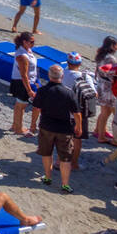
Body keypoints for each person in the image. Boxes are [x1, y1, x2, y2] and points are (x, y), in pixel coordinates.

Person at [32, 63, 81, 192]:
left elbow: (36, 108)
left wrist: (33, 124)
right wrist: (79, 126)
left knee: (47, 153)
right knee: (65, 157)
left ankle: (48, 177)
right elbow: (77, 113)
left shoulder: (42, 90)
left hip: (46, 126)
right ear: (62, 76)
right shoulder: (68, 93)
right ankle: (65, 184)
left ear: (49, 75)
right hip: (64, 128)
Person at [62, 51, 98, 168]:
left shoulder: (62, 73)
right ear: (80, 63)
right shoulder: (84, 76)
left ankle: (61, 161)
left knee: (64, 138)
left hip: (63, 110)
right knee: (77, 139)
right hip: (79, 111)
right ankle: (74, 163)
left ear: (68, 62)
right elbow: (94, 94)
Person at [94, 36, 117, 143]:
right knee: (106, 112)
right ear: (112, 46)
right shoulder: (110, 58)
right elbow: (114, 73)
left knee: (104, 111)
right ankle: (101, 136)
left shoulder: (101, 55)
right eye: (116, 45)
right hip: (108, 87)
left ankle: (98, 130)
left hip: (101, 83)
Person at [10, 32, 39, 136]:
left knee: (19, 105)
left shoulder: (27, 50)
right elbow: (24, 75)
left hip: (28, 81)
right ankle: (18, 128)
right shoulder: (22, 56)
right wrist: (29, 90)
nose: (33, 44)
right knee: (21, 106)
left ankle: (15, 125)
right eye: (31, 42)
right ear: (24, 42)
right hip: (22, 83)